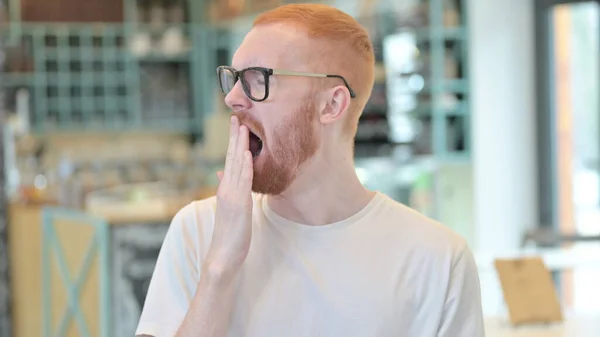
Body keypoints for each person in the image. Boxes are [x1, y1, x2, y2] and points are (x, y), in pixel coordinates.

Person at [135, 4, 484, 337]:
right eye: (235, 77)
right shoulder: (199, 231)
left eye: (258, 78)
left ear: (332, 105)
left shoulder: (437, 260)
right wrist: (220, 267)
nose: (233, 98)